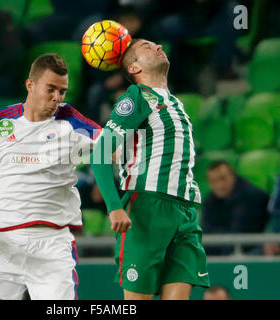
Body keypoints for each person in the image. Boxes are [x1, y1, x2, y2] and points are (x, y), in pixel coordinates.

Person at [0, 54, 102, 300]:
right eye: (51, 89)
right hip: (4, 244)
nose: (57, 97)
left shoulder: (71, 121)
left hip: (52, 242)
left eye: (62, 91)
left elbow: (114, 144)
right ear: (30, 85)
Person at [90, 38, 210, 300]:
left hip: (186, 211)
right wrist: (114, 206)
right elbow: (100, 153)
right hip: (147, 208)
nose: (158, 47)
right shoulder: (138, 96)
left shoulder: (176, 103)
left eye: (157, 45)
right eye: (147, 47)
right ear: (133, 69)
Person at [201, 160, 270, 255]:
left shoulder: (252, 197)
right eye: (213, 181)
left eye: (223, 178)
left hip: (251, 251)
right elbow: (207, 231)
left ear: (233, 176)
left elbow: (242, 233)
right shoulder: (209, 202)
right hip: (221, 251)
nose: (219, 185)